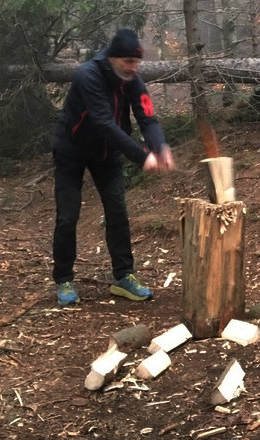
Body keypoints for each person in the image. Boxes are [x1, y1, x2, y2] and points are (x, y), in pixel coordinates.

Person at [50, 28, 174, 306]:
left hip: (107, 155)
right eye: (128, 62)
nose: (133, 68)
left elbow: (148, 118)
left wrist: (160, 147)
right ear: (112, 58)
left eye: (136, 62)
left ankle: (123, 276)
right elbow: (103, 122)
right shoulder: (88, 75)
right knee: (68, 215)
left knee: (117, 211)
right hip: (71, 151)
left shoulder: (132, 79)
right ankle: (64, 278)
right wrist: (141, 156)